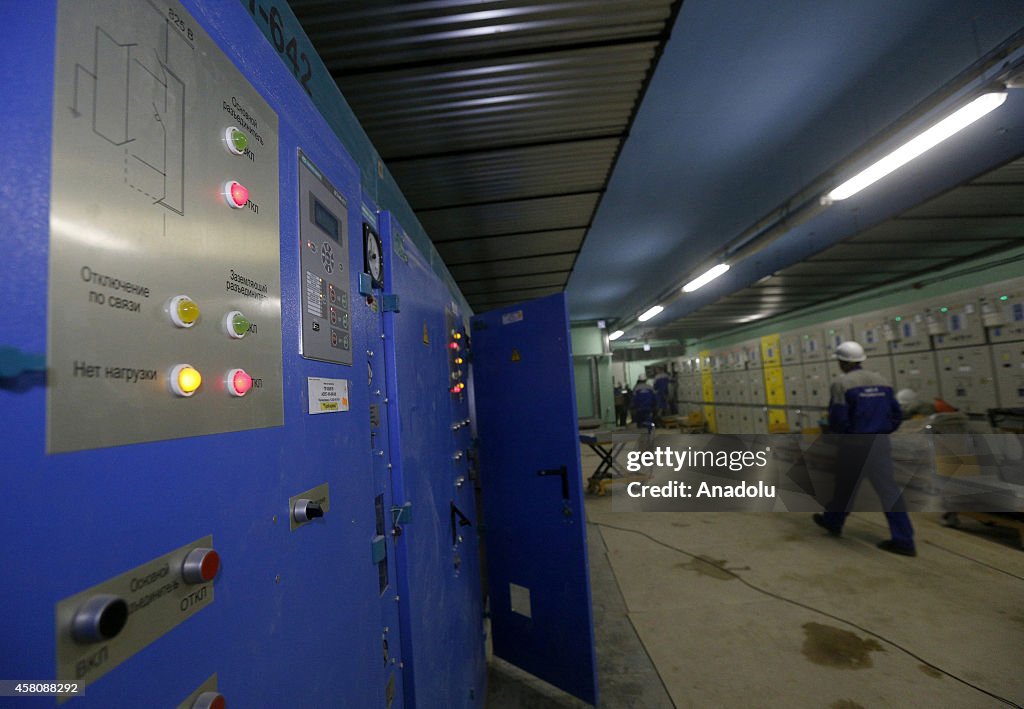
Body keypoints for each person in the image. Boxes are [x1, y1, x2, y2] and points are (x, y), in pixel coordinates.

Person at [813, 341, 916, 556]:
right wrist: (884, 429)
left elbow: (839, 418)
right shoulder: (883, 381)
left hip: (855, 444)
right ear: (861, 359)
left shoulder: (842, 384)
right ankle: (904, 540)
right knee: (889, 491)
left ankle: (833, 521)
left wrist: (845, 435)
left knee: (845, 487)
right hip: (879, 442)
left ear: (842, 362)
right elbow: (897, 413)